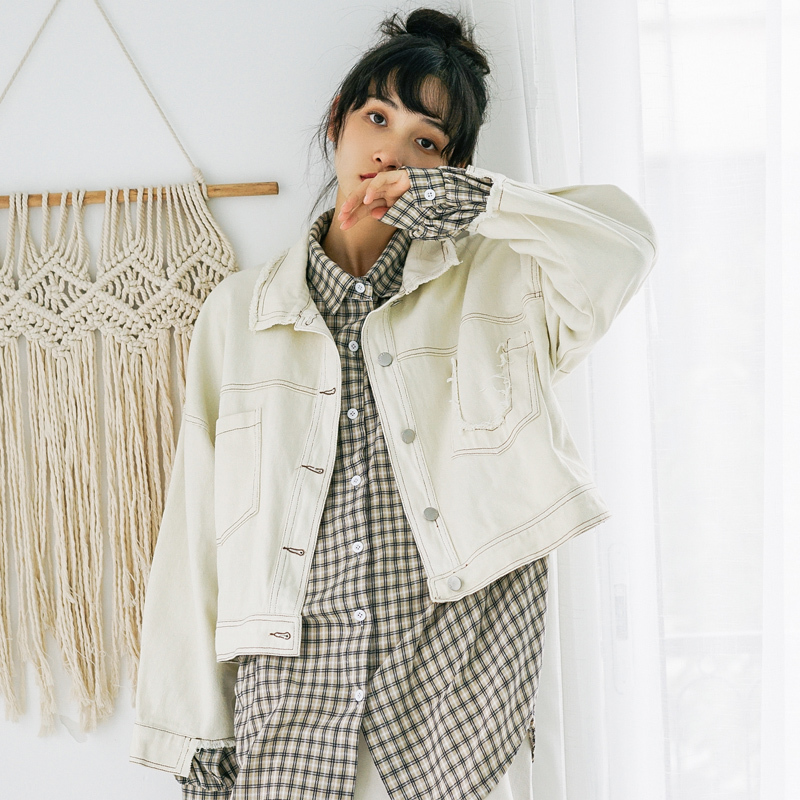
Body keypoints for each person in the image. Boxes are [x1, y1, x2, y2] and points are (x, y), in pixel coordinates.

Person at [130, 7, 657, 800]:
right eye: (377, 118)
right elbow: (197, 524)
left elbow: (624, 247)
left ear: (453, 170)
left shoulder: (502, 285)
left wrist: (469, 205)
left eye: (427, 142)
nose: (391, 151)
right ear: (337, 124)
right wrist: (193, 729)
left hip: (458, 682)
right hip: (293, 691)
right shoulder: (239, 314)